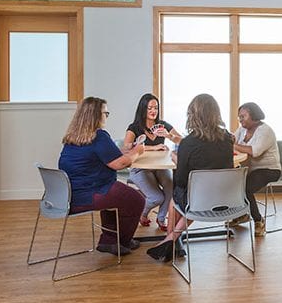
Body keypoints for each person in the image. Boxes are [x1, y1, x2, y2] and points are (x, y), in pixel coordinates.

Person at [146, 93, 233, 261]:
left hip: (200, 201)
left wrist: (177, 160)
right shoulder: (228, 138)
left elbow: (181, 180)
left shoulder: (188, 143)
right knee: (190, 196)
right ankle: (172, 241)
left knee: (175, 197)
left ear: (192, 115)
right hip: (226, 199)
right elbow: (225, 168)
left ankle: (171, 240)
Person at [58, 97, 146, 256]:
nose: (106, 116)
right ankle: (122, 241)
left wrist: (128, 152)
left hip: (71, 194)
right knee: (136, 199)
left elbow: (108, 155)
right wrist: (137, 152)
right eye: (106, 113)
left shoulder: (73, 137)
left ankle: (109, 240)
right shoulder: (99, 136)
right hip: (89, 194)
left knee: (116, 194)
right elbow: (120, 164)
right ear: (96, 115)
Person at [121, 93, 183, 232]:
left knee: (170, 190)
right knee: (156, 198)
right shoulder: (134, 127)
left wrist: (168, 135)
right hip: (140, 168)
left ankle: (161, 219)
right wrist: (152, 147)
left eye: (155, 108)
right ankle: (141, 215)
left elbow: (182, 141)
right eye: (149, 108)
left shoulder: (162, 125)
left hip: (160, 167)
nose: (153, 111)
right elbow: (125, 148)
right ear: (143, 109)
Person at [231, 102, 281, 237]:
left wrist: (233, 145)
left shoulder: (265, 131)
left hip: (269, 170)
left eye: (243, 116)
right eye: (239, 117)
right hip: (250, 169)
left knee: (245, 188)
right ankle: (241, 215)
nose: (240, 120)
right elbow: (232, 140)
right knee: (231, 183)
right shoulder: (242, 129)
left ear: (254, 115)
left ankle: (258, 220)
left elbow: (255, 151)